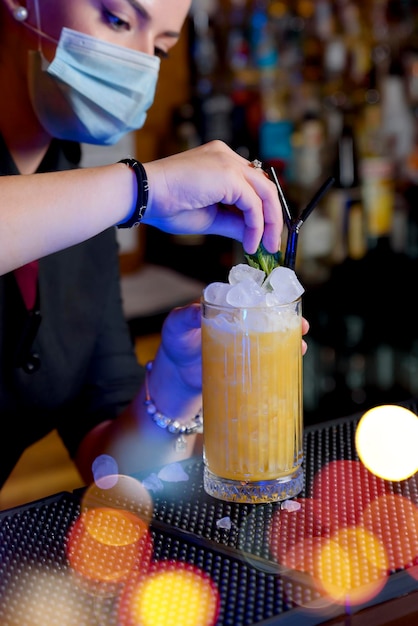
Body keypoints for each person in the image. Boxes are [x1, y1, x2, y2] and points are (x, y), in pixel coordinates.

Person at [0, 0, 308, 489]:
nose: (140, 65)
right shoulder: (107, 200)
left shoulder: (84, 209)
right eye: (119, 20)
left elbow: (111, 471)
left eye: (160, 49)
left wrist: (178, 383)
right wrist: (144, 189)